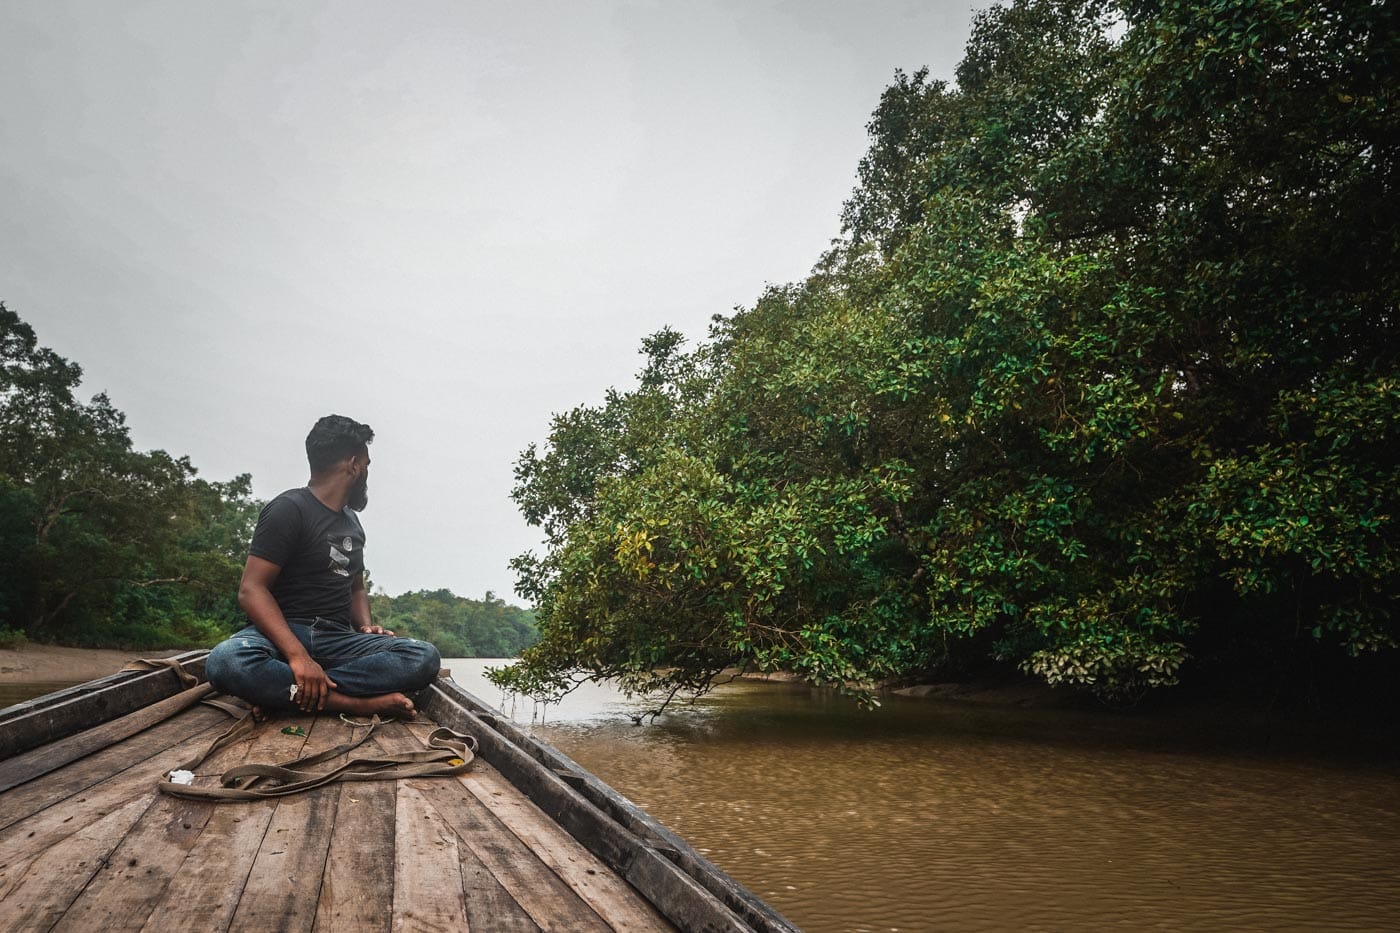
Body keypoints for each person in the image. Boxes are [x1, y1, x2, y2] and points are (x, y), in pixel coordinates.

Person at [206, 415, 440, 718]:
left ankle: (283, 691)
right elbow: (252, 590)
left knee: (422, 656)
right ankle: (353, 703)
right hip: (282, 635)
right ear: (354, 464)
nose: (367, 472)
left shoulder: (353, 523)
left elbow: (356, 586)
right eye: (367, 465)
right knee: (227, 660)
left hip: (336, 639)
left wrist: (366, 626)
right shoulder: (288, 509)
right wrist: (298, 657)